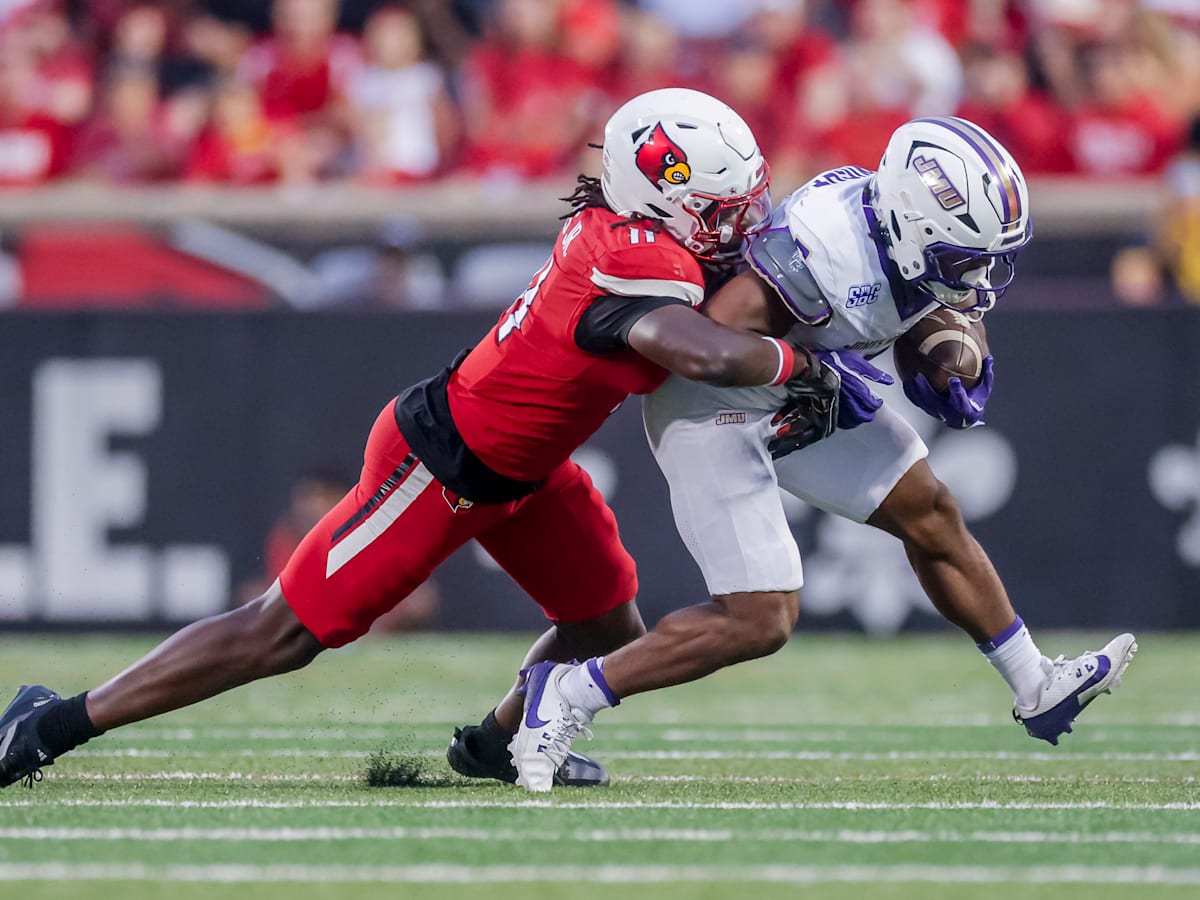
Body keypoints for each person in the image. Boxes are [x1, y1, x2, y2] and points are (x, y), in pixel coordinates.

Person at [0, 88, 833, 790]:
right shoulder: (636, 260)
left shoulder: (649, 240)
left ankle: (498, 744)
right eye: (722, 211)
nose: (740, 224)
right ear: (664, 201)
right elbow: (707, 353)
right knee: (279, 632)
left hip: (529, 472)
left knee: (608, 630)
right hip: (443, 465)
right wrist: (806, 362)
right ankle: (48, 725)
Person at [501, 116, 1138, 792]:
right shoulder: (823, 247)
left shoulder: (900, 231)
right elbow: (716, 339)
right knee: (759, 618)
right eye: (965, 257)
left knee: (930, 511)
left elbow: (939, 298)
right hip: (713, 399)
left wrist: (937, 340)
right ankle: (570, 694)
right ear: (916, 232)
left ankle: (1034, 682)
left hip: (801, 384)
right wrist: (811, 374)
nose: (979, 279)